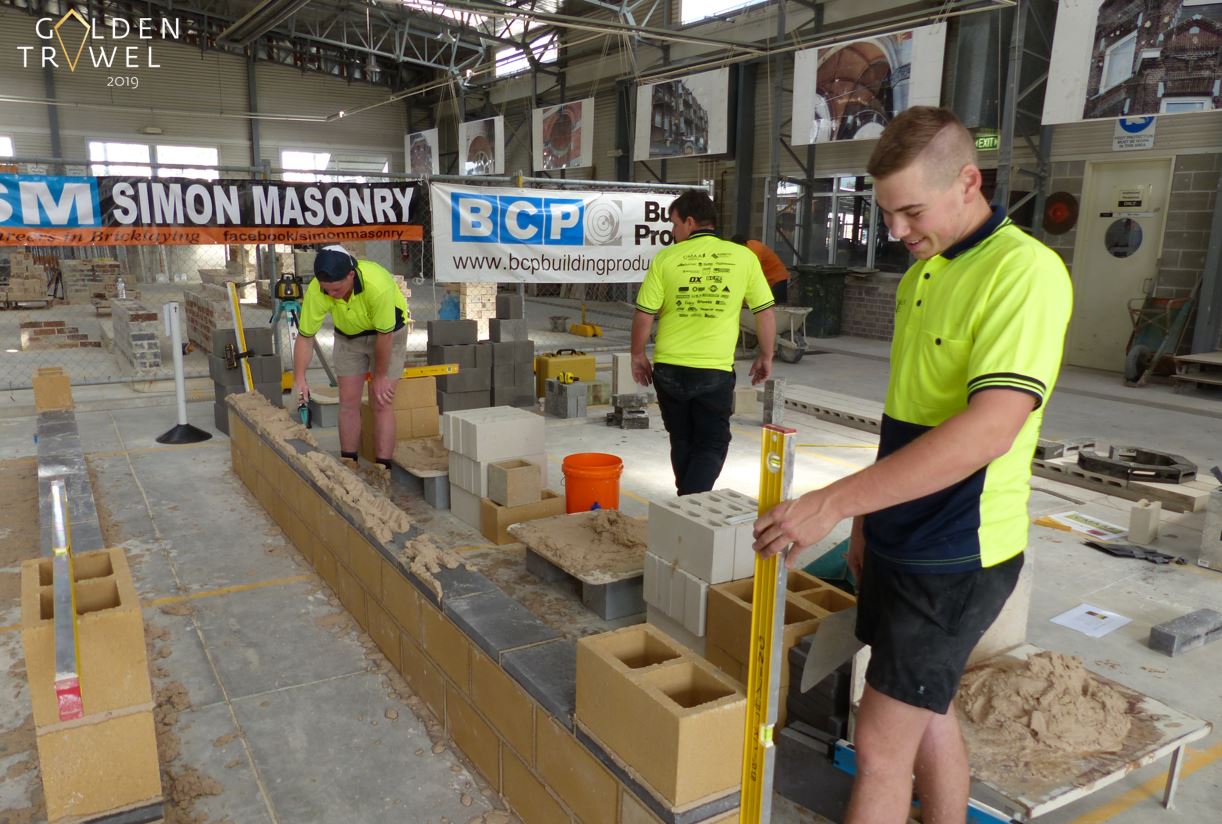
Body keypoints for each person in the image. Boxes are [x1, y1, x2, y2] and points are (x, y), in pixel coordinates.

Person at [752, 107, 1072, 824]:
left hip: (957, 552)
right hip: (903, 538)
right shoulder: (924, 272)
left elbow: (988, 431)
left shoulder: (1024, 273)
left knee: (879, 745)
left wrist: (833, 501)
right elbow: (904, 424)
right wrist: (867, 518)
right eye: (887, 214)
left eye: (910, 212)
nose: (896, 232)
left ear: (969, 180)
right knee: (930, 709)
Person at [631, 190, 777, 495]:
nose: (673, 233)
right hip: (713, 372)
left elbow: (644, 315)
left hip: (668, 369)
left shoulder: (666, 259)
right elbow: (764, 312)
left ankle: (685, 505)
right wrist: (766, 354)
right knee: (712, 442)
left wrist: (637, 356)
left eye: (674, 225)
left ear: (689, 221)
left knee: (681, 438)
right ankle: (689, 504)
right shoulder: (744, 258)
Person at [293, 245, 410, 471]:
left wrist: (380, 376)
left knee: (381, 401)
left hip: (388, 334)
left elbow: (384, 337)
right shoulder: (319, 289)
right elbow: (305, 337)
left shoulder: (378, 286)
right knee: (347, 400)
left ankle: (382, 469)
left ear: (351, 275)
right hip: (348, 336)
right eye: (326, 290)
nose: (331, 295)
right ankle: (349, 463)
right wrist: (299, 377)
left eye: (336, 289)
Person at [731, 234, 791, 305]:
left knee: (774, 306)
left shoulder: (754, 251)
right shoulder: (747, 247)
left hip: (777, 279)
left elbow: (752, 272)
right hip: (768, 280)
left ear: (744, 244)